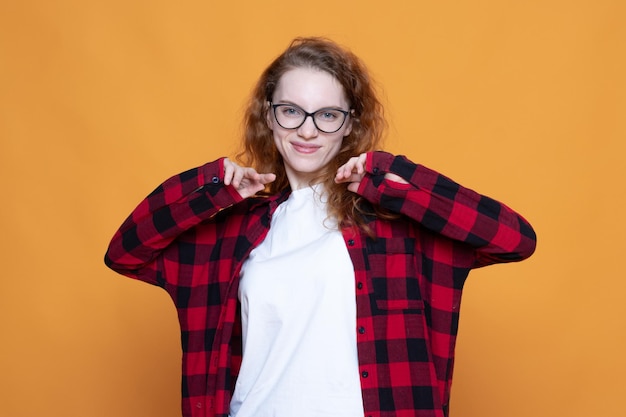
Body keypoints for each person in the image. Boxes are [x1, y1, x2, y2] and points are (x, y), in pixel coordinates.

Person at [105, 37, 537, 417]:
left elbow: (514, 238)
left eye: (327, 115)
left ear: (349, 123)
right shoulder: (232, 232)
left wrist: (394, 179)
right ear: (268, 116)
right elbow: (126, 252)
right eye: (291, 111)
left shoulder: (393, 223)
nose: (307, 131)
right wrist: (211, 186)